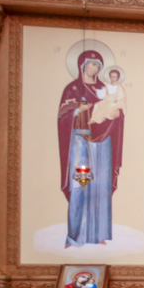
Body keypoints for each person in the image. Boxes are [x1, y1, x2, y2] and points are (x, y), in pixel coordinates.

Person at [58, 50, 124, 248]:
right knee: (80, 185)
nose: (95, 68)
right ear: (82, 65)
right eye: (91, 64)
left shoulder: (104, 88)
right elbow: (63, 115)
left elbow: (116, 111)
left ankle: (98, 234)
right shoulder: (72, 88)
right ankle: (74, 236)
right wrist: (80, 110)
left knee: (100, 187)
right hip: (79, 141)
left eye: (98, 64)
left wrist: (113, 112)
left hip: (102, 144)